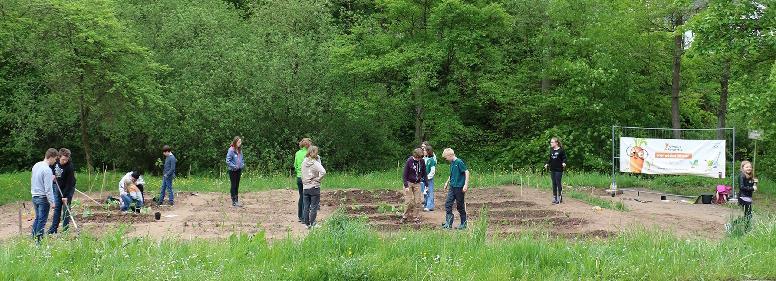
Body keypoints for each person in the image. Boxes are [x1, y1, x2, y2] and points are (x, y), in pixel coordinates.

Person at [31, 148, 58, 240]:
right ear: (50, 157)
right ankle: (39, 241)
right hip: (43, 198)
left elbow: (38, 180)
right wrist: (52, 201)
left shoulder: (36, 165)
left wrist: (50, 178)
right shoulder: (47, 170)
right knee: (42, 220)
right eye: (55, 159)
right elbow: (48, 188)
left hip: (34, 196)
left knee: (38, 218)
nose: (55, 161)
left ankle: (33, 237)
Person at [48, 148, 76, 234]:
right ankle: (53, 229)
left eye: (66, 160)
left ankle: (65, 230)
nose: (65, 161)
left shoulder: (70, 167)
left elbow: (69, 183)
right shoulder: (55, 162)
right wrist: (52, 175)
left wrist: (66, 196)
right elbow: (50, 168)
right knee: (57, 208)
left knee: (66, 209)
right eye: (63, 159)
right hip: (57, 186)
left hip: (68, 188)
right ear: (59, 157)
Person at [442, 148, 469, 230]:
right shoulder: (452, 163)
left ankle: (463, 224)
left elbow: (467, 172)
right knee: (448, 204)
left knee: (460, 206)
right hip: (452, 187)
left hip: (459, 187)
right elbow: (452, 174)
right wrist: (447, 182)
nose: (446, 159)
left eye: (446, 157)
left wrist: (465, 185)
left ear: (450, 155)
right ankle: (448, 223)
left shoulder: (459, 162)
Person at [301, 145, 326, 228]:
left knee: (306, 207)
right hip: (314, 188)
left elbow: (302, 174)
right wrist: (318, 179)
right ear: (315, 153)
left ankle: (307, 224)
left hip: (305, 187)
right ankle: (313, 224)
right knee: (314, 207)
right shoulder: (315, 163)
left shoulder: (304, 162)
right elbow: (323, 172)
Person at [402, 148, 427, 224]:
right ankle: (405, 217)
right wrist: (406, 186)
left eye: (420, 158)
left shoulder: (422, 161)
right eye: (417, 157)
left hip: (417, 183)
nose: (418, 159)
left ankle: (415, 217)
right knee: (408, 201)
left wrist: (426, 184)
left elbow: (424, 173)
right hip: (409, 183)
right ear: (414, 155)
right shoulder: (409, 161)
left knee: (418, 201)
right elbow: (404, 174)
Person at [544, 137, 567, 204]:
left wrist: (564, 162)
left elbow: (564, 158)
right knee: (554, 183)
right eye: (551, 142)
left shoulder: (561, 150)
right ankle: (554, 197)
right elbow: (550, 159)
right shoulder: (551, 150)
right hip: (552, 169)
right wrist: (547, 164)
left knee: (558, 182)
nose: (551, 143)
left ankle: (559, 197)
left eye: (552, 142)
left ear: (556, 143)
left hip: (559, 169)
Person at [294, 138, 312, 222]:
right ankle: (305, 218)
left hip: (298, 177)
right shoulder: (309, 153)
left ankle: (300, 216)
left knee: (301, 196)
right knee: (307, 197)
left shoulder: (297, 153)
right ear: (308, 145)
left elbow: (295, 165)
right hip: (307, 178)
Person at [226, 136, 245, 207]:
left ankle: (237, 201)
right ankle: (233, 201)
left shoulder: (240, 150)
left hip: (239, 170)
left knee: (237, 185)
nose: (240, 143)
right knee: (233, 185)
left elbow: (242, 159)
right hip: (232, 171)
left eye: (240, 142)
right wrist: (234, 166)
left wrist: (242, 164)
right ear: (235, 142)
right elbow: (228, 161)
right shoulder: (231, 150)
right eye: (239, 142)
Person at [738, 161, 758, 230]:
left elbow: (751, 186)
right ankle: (733, 225)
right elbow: (742, 187)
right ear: (742, 168)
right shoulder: (741, 175)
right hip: (743, 197)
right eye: (747, 167)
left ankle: (746, 229)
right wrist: (752, 188)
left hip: (748, 197)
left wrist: (754, 183)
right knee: (748, 215)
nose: (749, 168)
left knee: (748, 215)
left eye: (750, 167)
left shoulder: (750, 176)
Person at [422, 145, 437, 211]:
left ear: (428, 151)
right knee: (424, 192)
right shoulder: (423, 159)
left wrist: (427, 177)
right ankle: (426, 204)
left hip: (429, 179)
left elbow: (432, 171)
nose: (423, 151)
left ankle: (430, 206)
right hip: (423, 179)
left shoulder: (431, 160)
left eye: (425, 150)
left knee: (430, 192)